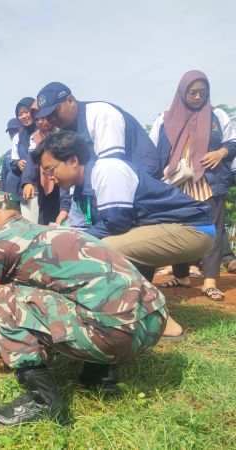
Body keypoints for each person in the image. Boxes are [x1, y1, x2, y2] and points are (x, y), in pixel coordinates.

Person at [0, 192, 168, 426]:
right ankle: (98, 375)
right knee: (80, 291)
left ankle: (41, 401)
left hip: (111, 336)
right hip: (153, 324)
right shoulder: (51, 231)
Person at [36, 130, 216, 339]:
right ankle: (126, 311)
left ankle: (160, 320)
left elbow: (116, 223)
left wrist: (69, 240)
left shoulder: (107, 170)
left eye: (50, 169)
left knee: (103, 249)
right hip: (164, 228)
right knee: (95, 243)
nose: (50, 177)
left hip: (191, 228)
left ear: (73, 160)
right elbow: (92, 227)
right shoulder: (80, 188)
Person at [149, 70, 236, 300]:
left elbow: (233, 141)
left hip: (209, 181)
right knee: (178, 229)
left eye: (202, 92)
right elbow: (152, 152)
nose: (197, 97)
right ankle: (182, 275)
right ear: (182, 92)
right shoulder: (163, 118)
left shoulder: (218, 115)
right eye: (192, 92)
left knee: (212, 229)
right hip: (175, 184)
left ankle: (209, 281)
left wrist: (220, 152)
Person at [33, 82, 162, 226]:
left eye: (54, 112)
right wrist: (66, 208)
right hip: (110, 189)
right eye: (47, 117)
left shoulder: (101, 114)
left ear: (70, 101)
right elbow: (71, 175)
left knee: (114, 233)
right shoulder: (64, 132)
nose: (52, 120)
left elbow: (112, 170)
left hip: (140, 185)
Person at [12, 97, 40, 223]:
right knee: (30, 227)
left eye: (26, 111)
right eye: (20, 114)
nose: (24, 116)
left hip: (45, 186)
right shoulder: (17, 137)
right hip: (26, 189)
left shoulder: (43, 130)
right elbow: (13, 163)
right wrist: (18, 164)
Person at [0, 118, 22, 195]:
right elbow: (3, 179)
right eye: (11, 133)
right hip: (11, 199)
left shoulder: (29, 150)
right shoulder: (7, 155)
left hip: (26, 197)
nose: (13, 135)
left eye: (16, 131)